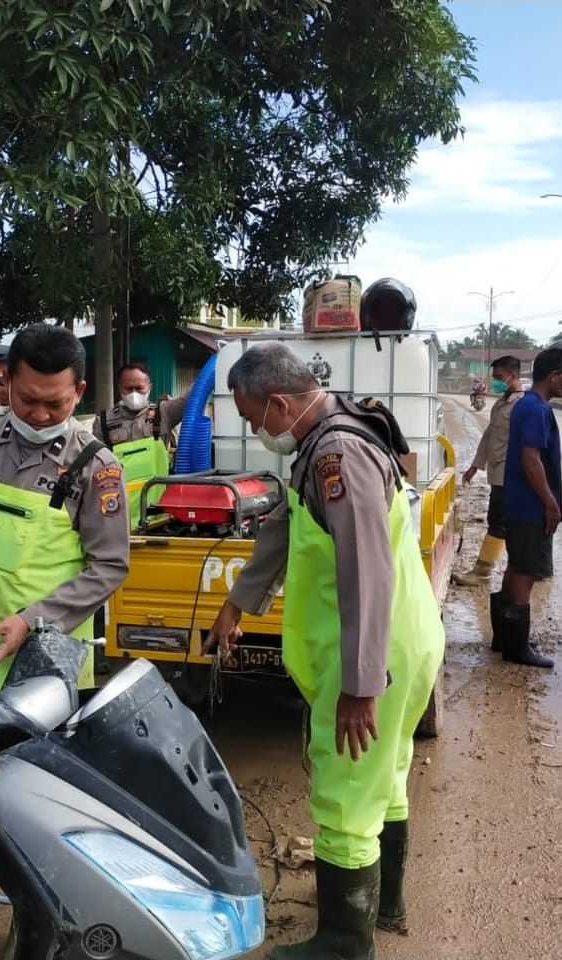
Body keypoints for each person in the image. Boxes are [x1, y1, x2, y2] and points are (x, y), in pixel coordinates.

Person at [203, 343, 444, 958]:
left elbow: (365, 567)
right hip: (402, 641)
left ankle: (343, 940)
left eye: (256, 419)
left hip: (370, 655)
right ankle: (383, 904)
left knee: (343, 790)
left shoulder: (337, 454)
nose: (257, 432)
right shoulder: (325, 439)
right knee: (384, 779)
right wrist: (239, 601)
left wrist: (362, 686)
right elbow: (286, 524)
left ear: (281, 403)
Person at [0, 322, 130, 936]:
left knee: (38, 789)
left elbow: (110, 566)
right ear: (6, 382)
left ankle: (38, 924)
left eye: (55, 403)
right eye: (27, 398)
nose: (39, 413)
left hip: (48, 655)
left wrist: (33, 621)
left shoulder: (98, 468)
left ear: (79, 392)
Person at [493, 347, 562, 669]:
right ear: (553, 376)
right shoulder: (536, 409)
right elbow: (531, 460)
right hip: (529, 508)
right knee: (525, 571)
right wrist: (550, 503)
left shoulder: (528, 405)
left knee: (515, 566)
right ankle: (517, 647)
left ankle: (507, 637)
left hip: (520, 504)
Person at [91, 361, 194, 527]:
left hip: (158, 509)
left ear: (149, 387)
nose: (134, 393)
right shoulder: (103, 421)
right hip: (118, 509)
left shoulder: (164, 412)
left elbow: (193, 395)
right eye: (128, 388)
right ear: (119, 388)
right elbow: (94, 465)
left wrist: (219, 360)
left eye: (139, 388)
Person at [454, 355, 524, 588]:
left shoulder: (522, 406)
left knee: (498, 523)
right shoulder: (502, 403)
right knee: (500, 522)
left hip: (510, 477)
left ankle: (482, 572)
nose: (495, 382)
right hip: (497, 475)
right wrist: (475, 466)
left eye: (498, 377)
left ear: (513, 376)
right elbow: (489, 437)